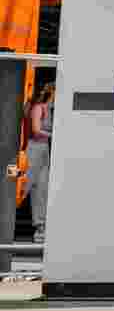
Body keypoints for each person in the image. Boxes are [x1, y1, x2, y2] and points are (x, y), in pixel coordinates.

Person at [23, 81, 52, 244]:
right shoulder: (38, 107)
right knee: (25, 184)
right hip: (34, 148)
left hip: (44, 150)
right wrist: (54, 133)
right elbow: (35, 130)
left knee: (42, 187)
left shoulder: (50, 110)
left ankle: (40, 228)